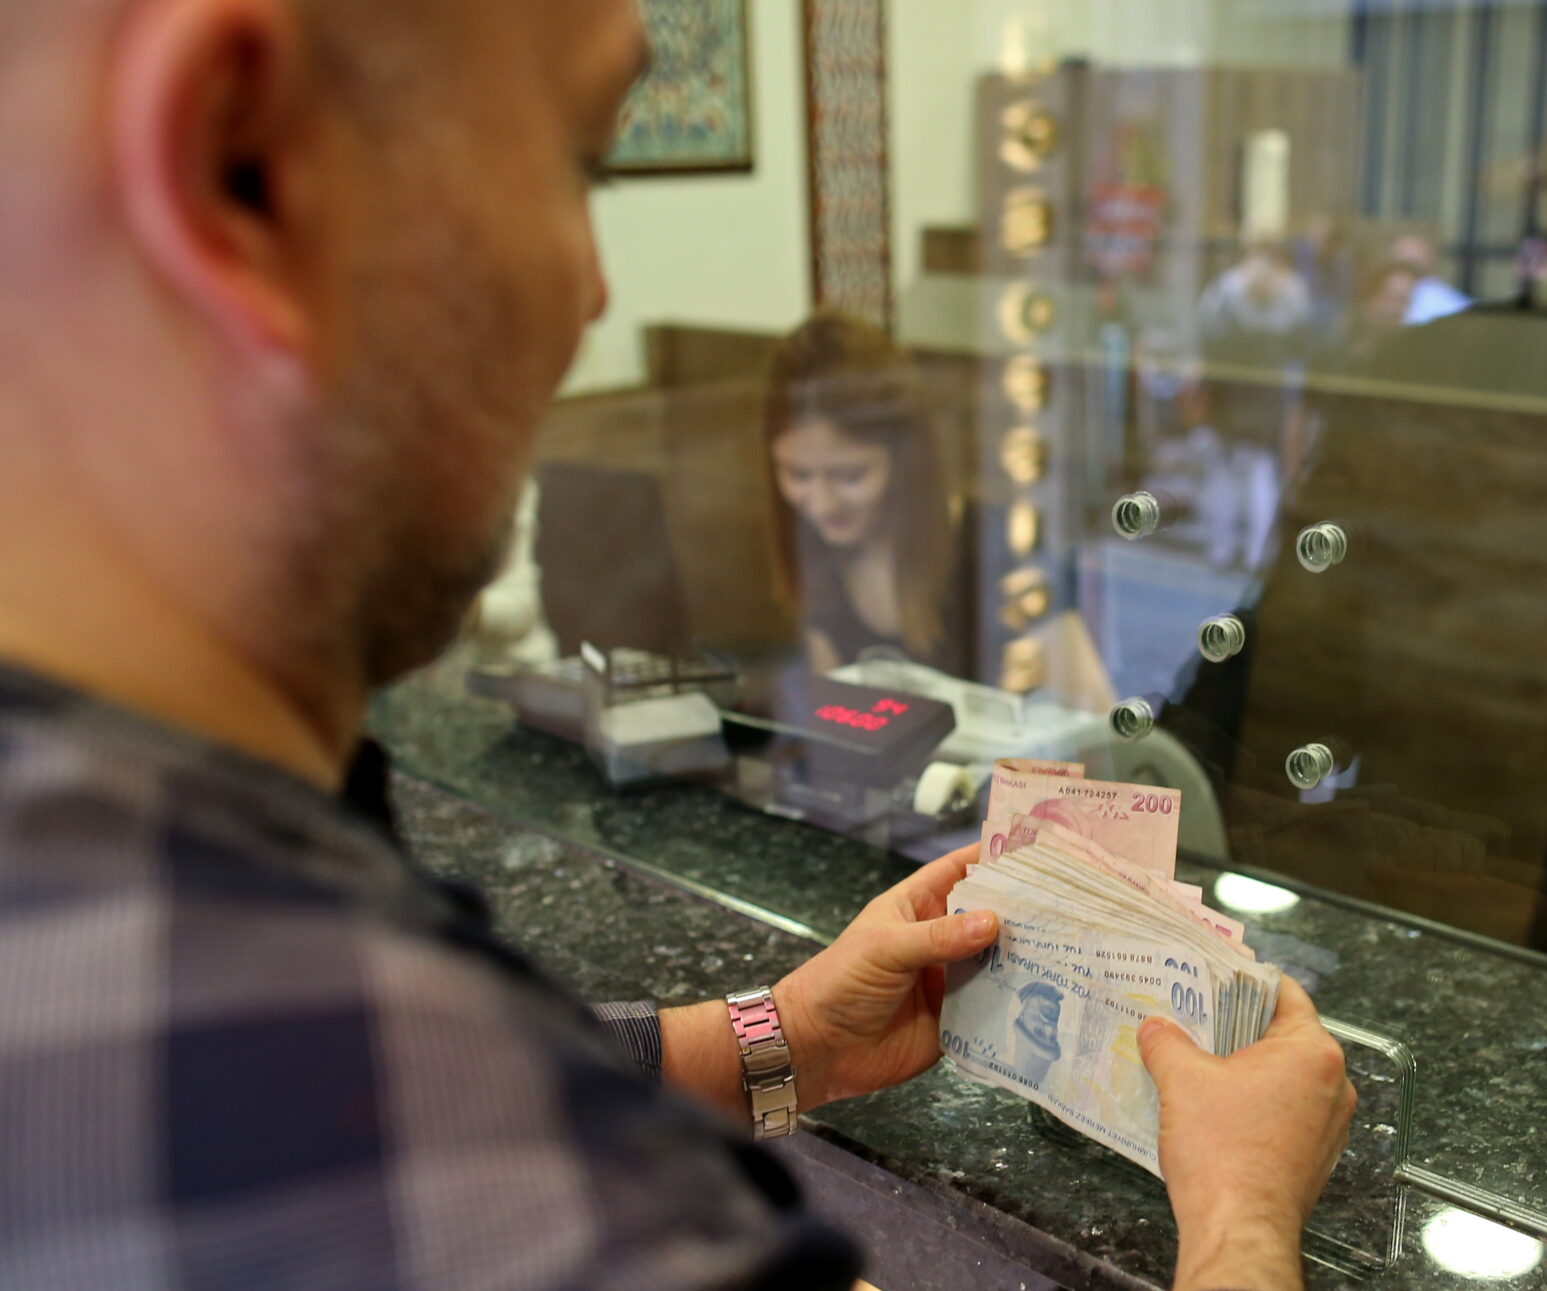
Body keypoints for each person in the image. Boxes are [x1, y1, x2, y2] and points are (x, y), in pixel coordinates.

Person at [0, 3, 1356, 1290]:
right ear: (236, 167)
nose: (592, 293)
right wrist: (1241, 1209)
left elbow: (506, 1077)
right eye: (581, 160)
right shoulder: (422, 1137)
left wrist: (788, 1035)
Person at [764, 311, 970, 675]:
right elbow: (831, 699)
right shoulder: (819, 557)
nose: (823, 505)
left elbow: (1074, 699)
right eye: (798, 474)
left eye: (851, 475)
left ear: (906, 460)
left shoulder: (991, 545)